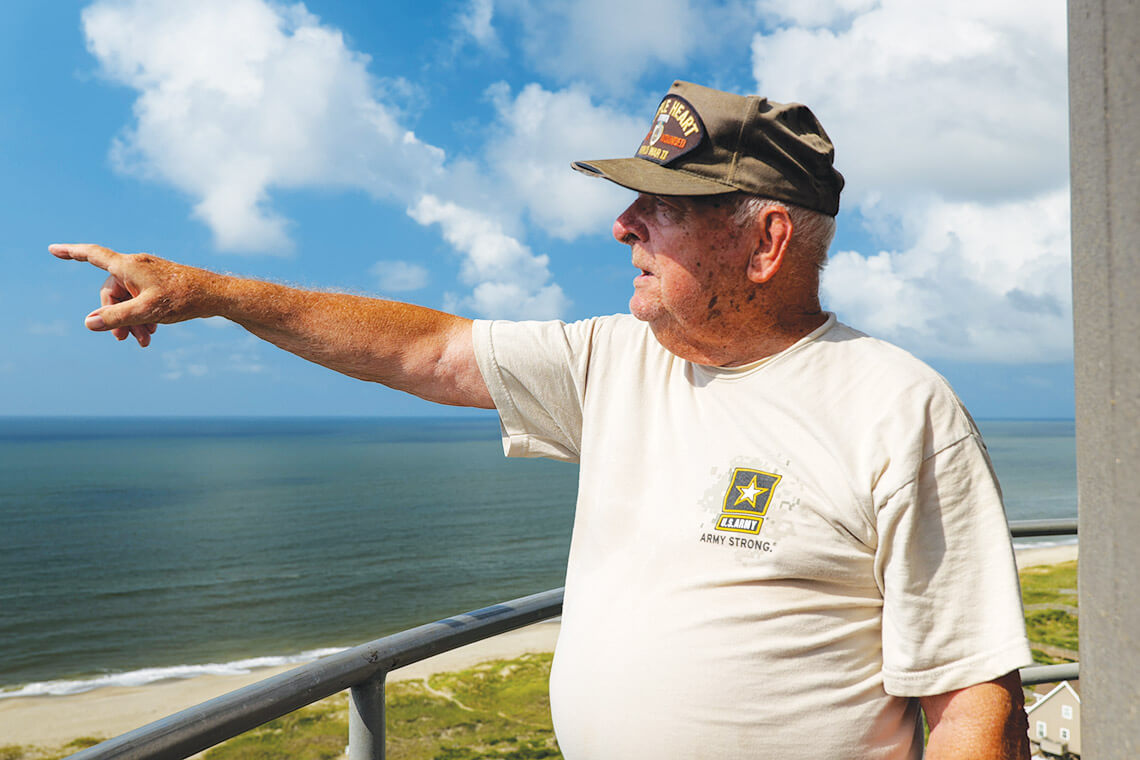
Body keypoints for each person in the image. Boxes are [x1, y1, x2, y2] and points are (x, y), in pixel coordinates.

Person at [52, 80, 1032, 759]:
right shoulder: (613, 360)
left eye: (664, 205)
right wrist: (212, 290)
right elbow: (425, 350)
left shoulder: (898, 408)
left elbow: (971, 703)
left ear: (767, 240)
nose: (623, 225)